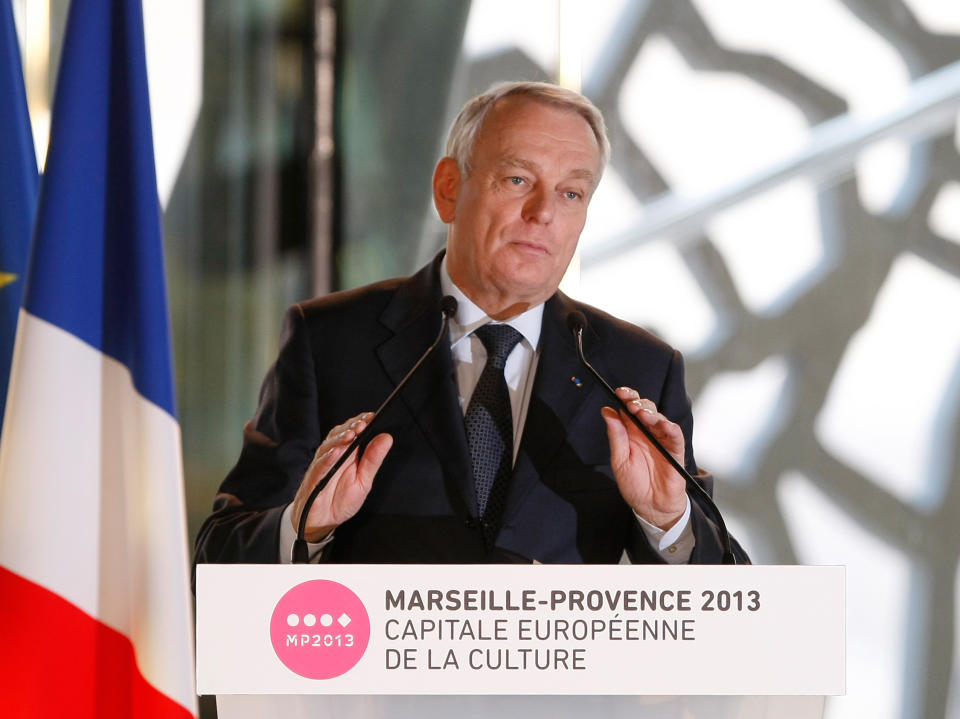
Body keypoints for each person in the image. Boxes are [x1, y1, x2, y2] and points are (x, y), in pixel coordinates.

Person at [193, 81, 749, 567]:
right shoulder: (331, 341)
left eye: (571, 192)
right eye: (516, 180)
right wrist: (305, 525)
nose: (543, 214)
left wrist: (668, 521)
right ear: (449, 188)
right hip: (371, 684)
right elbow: (218, 557)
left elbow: (730, 595)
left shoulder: (636, 369)